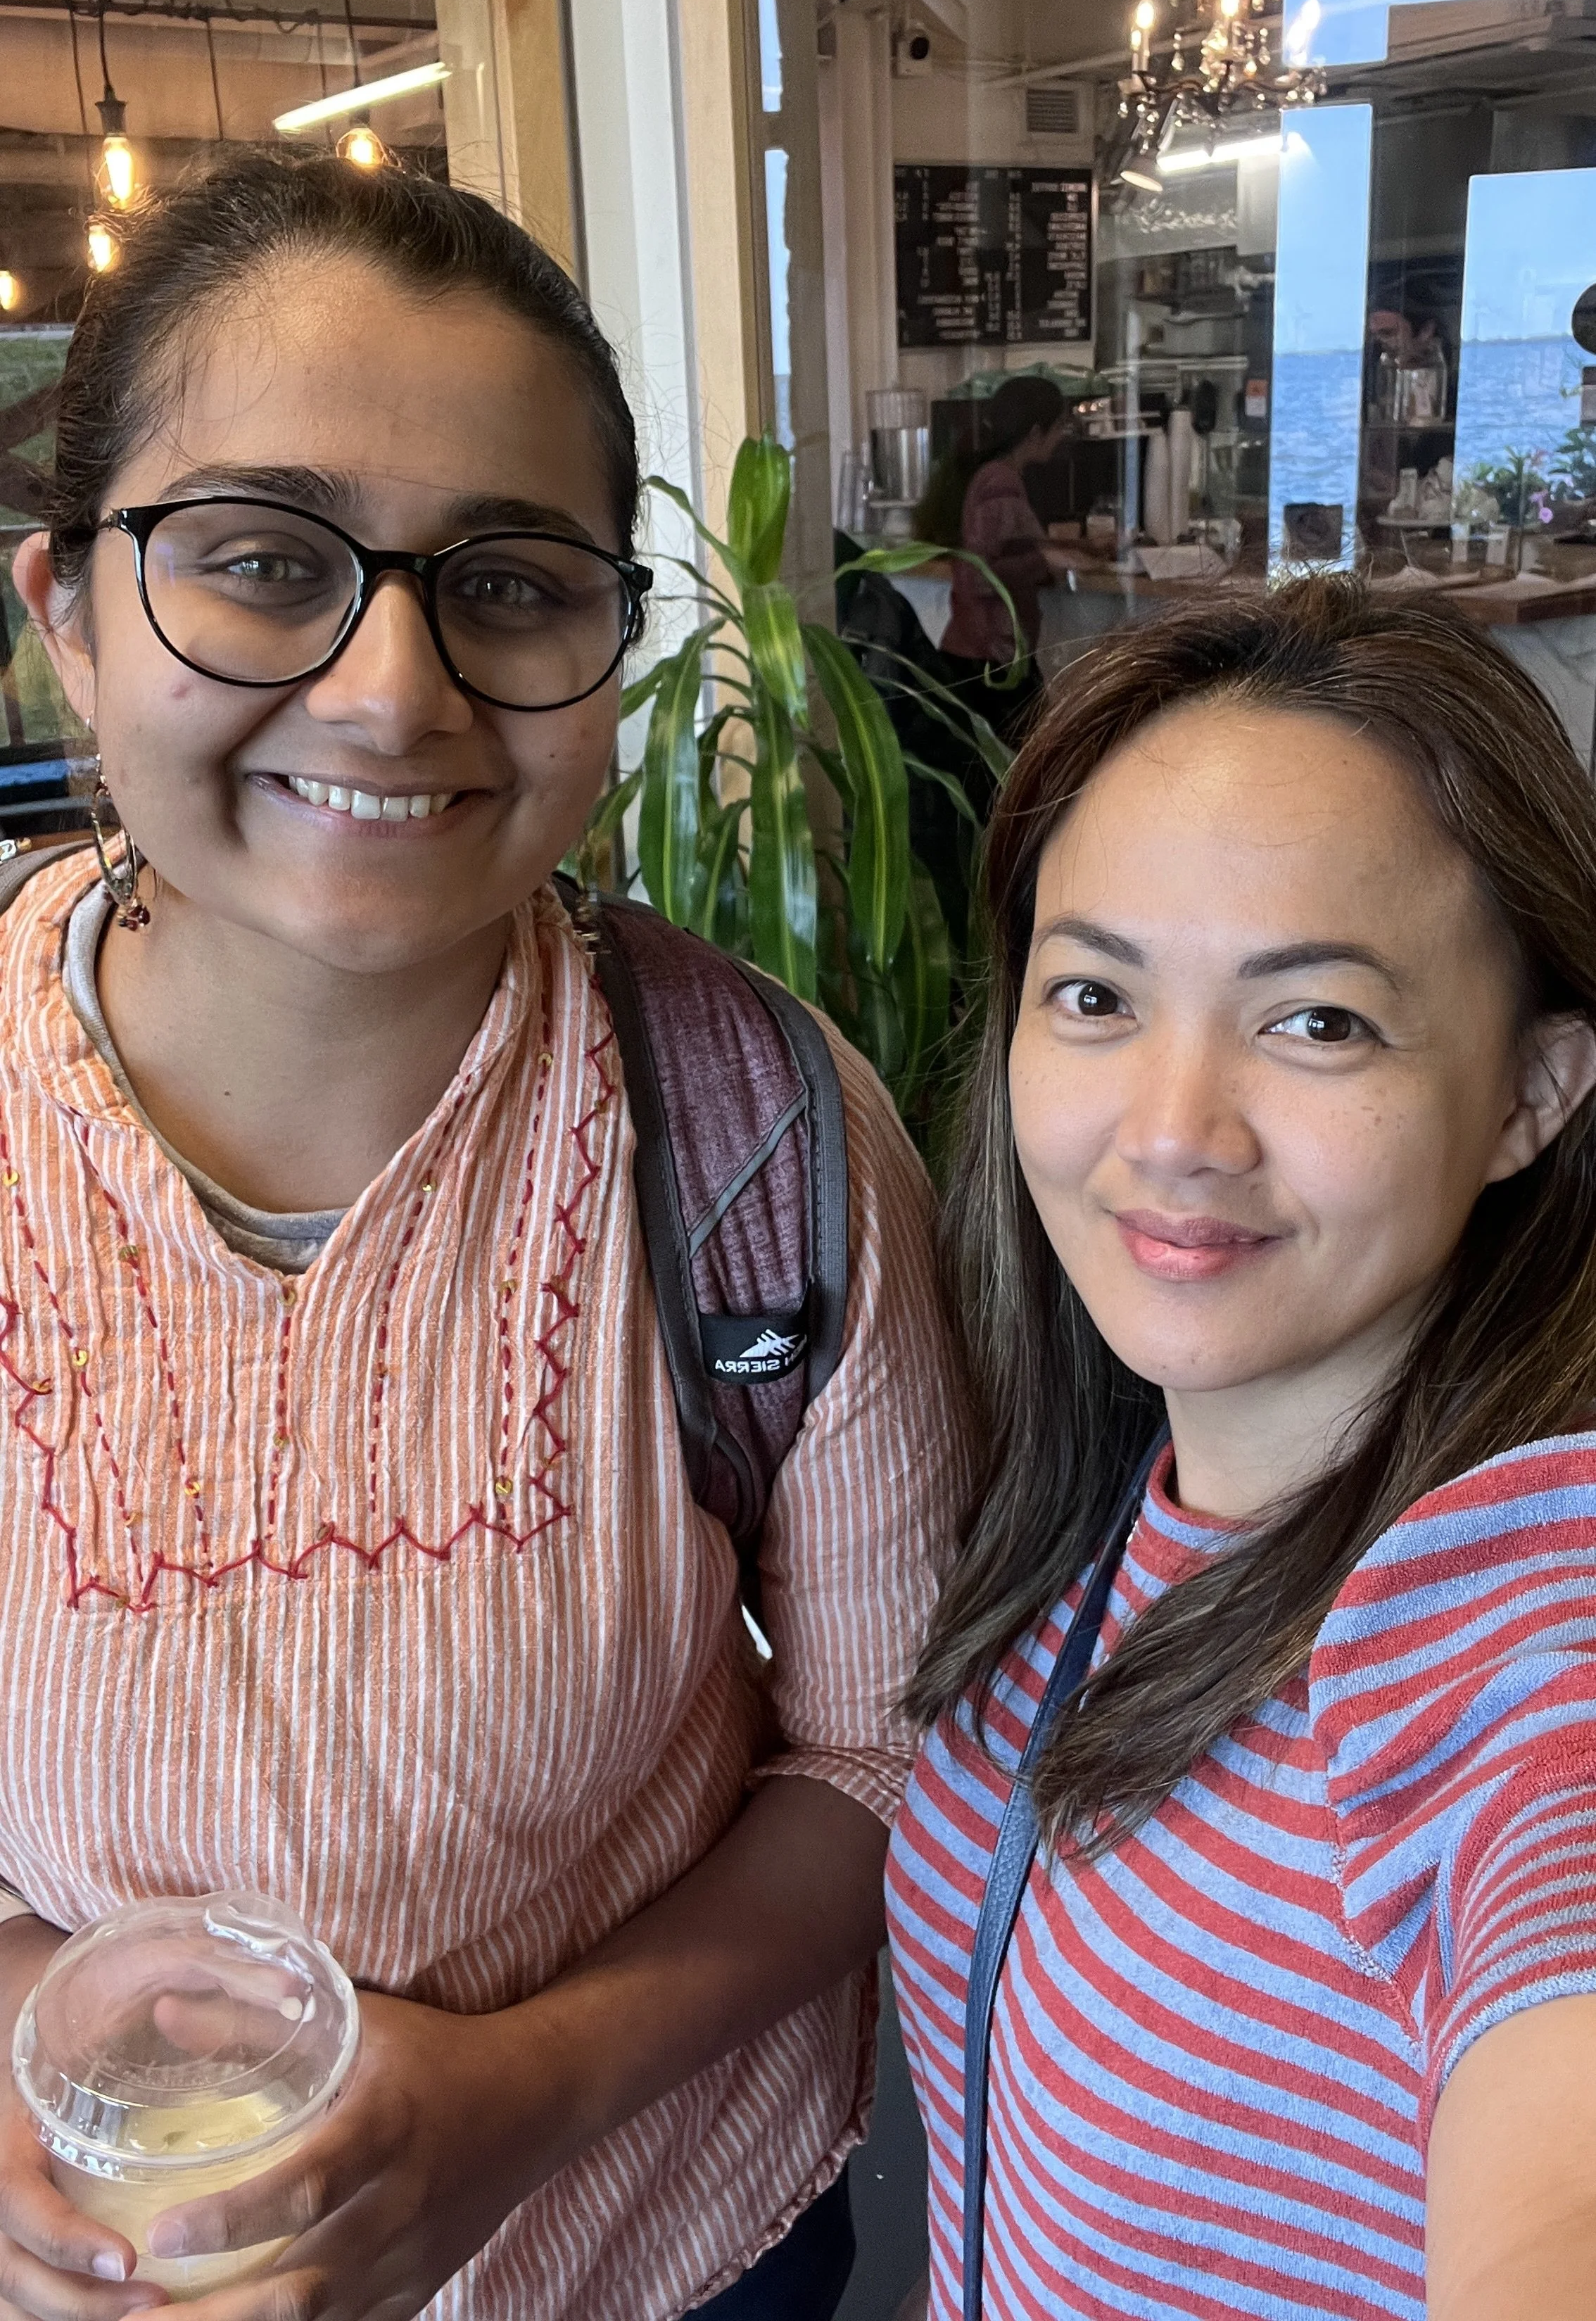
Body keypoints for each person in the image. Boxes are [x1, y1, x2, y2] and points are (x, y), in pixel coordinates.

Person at [0, 150, 968, 2321]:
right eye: (260, 561)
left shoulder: (756, 1141)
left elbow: (879, 1758)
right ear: (67, 614)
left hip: (660, 2248)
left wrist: (520, 2100)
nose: (390, 691)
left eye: (512, 583)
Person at [888, 576, 1596, 2321]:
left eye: (1318, 1022)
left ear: (1533, 1094)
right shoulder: (1100, 1487)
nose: (1173, 1134)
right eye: (1097, 997)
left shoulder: (1516, 1654)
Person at [939, 379, 1073, 742]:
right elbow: (976, 574)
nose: (1062, 435)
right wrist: (1046, 566)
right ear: (1035, 432)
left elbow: (1003, 554)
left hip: (987, 657)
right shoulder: (1000, 481)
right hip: (990, 661)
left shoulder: (998, 476)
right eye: (1059, 426)